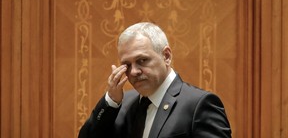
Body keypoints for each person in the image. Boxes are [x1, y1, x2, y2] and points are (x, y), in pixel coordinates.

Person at [78, 22, 232, 138]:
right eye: (127, 64)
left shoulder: (199, 104)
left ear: (166, 56)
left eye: (142, 60)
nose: (134, 71)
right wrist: (111, 102)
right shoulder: (122, 105)